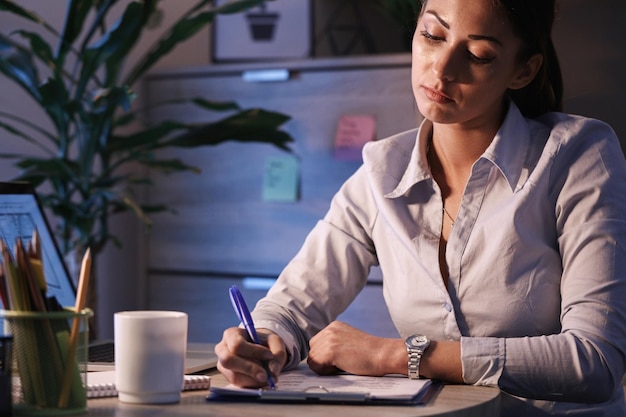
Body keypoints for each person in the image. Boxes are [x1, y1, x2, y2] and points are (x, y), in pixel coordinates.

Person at [215, 0, 626, 415]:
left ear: (523, 70)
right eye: (432, 35)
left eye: (478, 55)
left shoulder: (579, 156)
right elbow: (292, 304)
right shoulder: (382, 174)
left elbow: (595, 361)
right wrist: (263, 340)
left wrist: (399, 356)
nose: (442, 69)